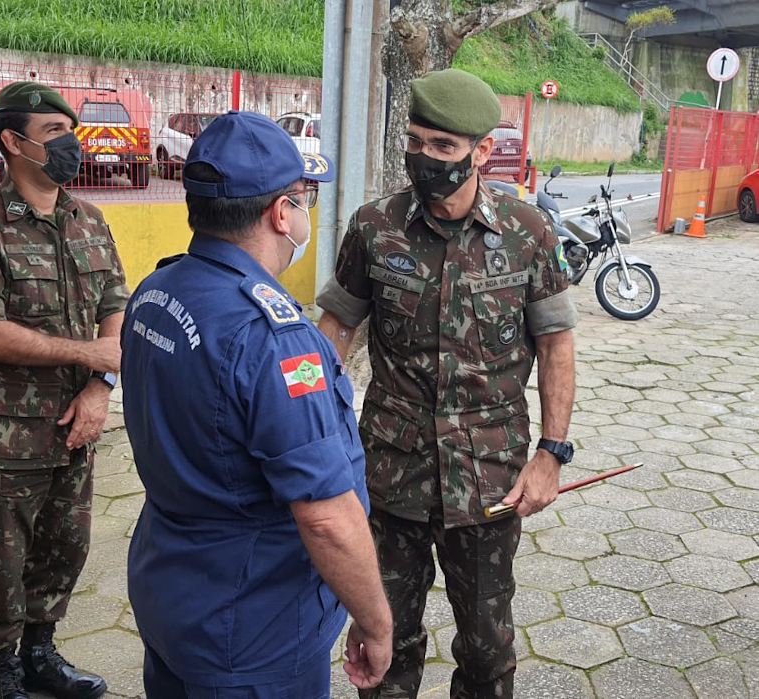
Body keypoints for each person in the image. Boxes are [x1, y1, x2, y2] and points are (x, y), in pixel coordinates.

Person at [316, 68, 578, 698]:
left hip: (488, 480)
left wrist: (552, 453)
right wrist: (316, 432)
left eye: (442, 147)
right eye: (415, 141)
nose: (423, 159)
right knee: (385, 643)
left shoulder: (527, 232)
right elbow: (334, 333)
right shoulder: (375, 226)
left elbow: (556, 344)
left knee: (488, 651)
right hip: (389, 473)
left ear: (481, 151)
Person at [120, 110, 393, 699]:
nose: (304, 214)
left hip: (171, 591)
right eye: (303, 198)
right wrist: (374, 620)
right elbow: (324, 515)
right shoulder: (272, 337)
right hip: (251, 627)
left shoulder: (156, 292)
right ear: (280, 212)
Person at [0, 81, 130, 699]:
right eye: (53, 133)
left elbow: (114, 305)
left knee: (64, 548)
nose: (70, 143)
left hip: (76, 423)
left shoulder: (88, 218)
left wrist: (100, 386)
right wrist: (89, 354)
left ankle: (42, 655)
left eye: (70, 131)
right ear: (12, 142)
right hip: (1, 434)